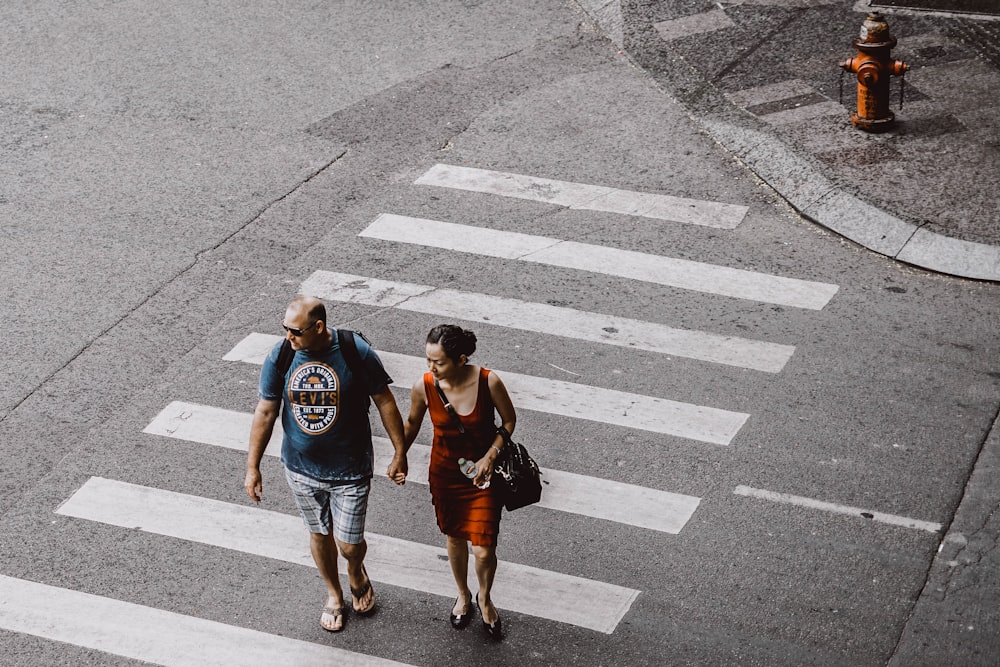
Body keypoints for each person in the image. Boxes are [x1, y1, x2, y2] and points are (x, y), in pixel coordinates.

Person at [244, 296, 409, 633]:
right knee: (319, 533)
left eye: (296, 332)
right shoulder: (281, 355)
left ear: (318, 327)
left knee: (349, 545)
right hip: (300, 467)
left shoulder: (355, 350)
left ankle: (355, 571)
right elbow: (266, 411)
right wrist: (253, 467)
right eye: (285, 330)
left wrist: (399, 451)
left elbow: (384, 401)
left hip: (351, 469)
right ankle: (334, 594)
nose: (288, 337)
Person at [402, 324, 516, 639]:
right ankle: (463, 594)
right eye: (428, 360)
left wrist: (490, 457)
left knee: (483, 549)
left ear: (461, 359)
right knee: (454, 538)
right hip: (445, 474)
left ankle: (485, 597)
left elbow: (509, 421)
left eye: (438, 362)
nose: (431, 367)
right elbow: (412, 423)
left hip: (484, 477)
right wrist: (400, 455)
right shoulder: (424, 386)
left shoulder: (488, 381)